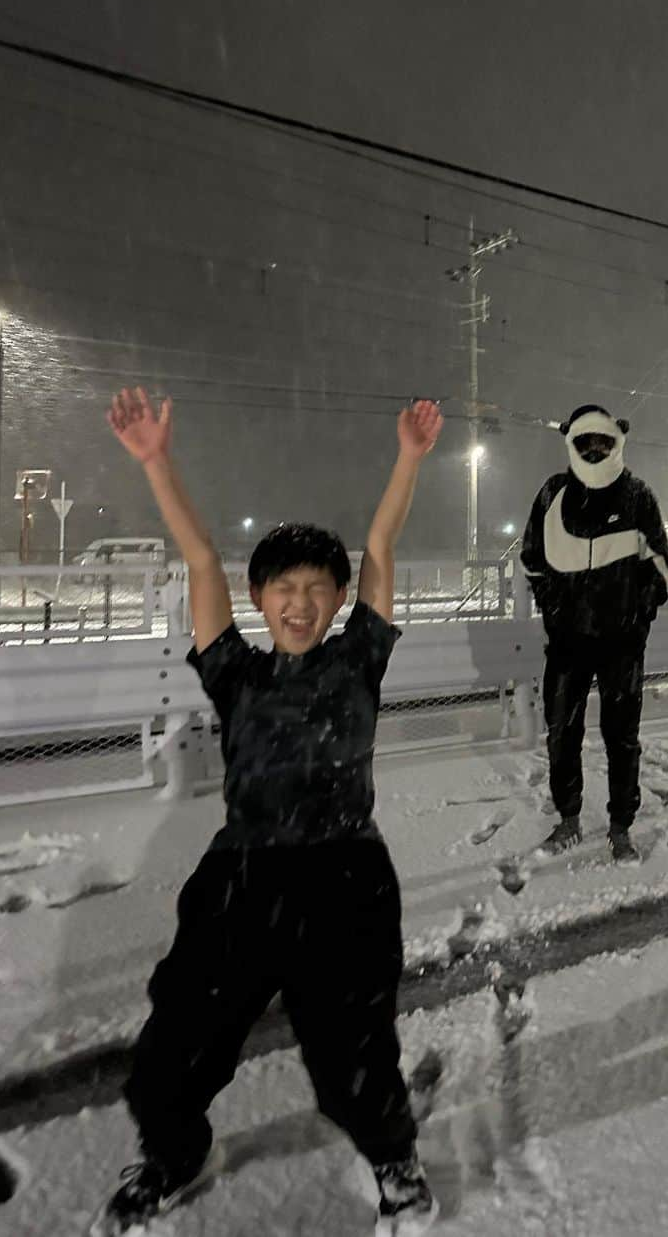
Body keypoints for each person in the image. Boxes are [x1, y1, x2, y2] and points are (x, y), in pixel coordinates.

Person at [93, 387, 443, 1237]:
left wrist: (409, 459)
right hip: (242, 878)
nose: (298, 601)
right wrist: (155, 463)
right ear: (259, 598)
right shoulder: (236, 674)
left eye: (316, 587)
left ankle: (393, 1156)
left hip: (345, 877)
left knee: (354, 1054)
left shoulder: (359, 658)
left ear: (337, 598)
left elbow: (382, 543)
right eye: (282, 587)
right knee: (174, 1048)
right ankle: (177, 1154)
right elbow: (201, 561)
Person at [520, 403, 668, 864]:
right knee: (560, 734)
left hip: (622, 645)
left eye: (601, 441)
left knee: (621, 737)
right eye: (584, 442)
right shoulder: (552, 494)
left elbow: (663, 564)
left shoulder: (637, 496)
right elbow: (532, 559)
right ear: (570, 442)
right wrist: (555, 608)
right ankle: (568, 819)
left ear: (616, 441)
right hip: (567, 643)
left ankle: (620, 826)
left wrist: (638, 615)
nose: (593, 450)